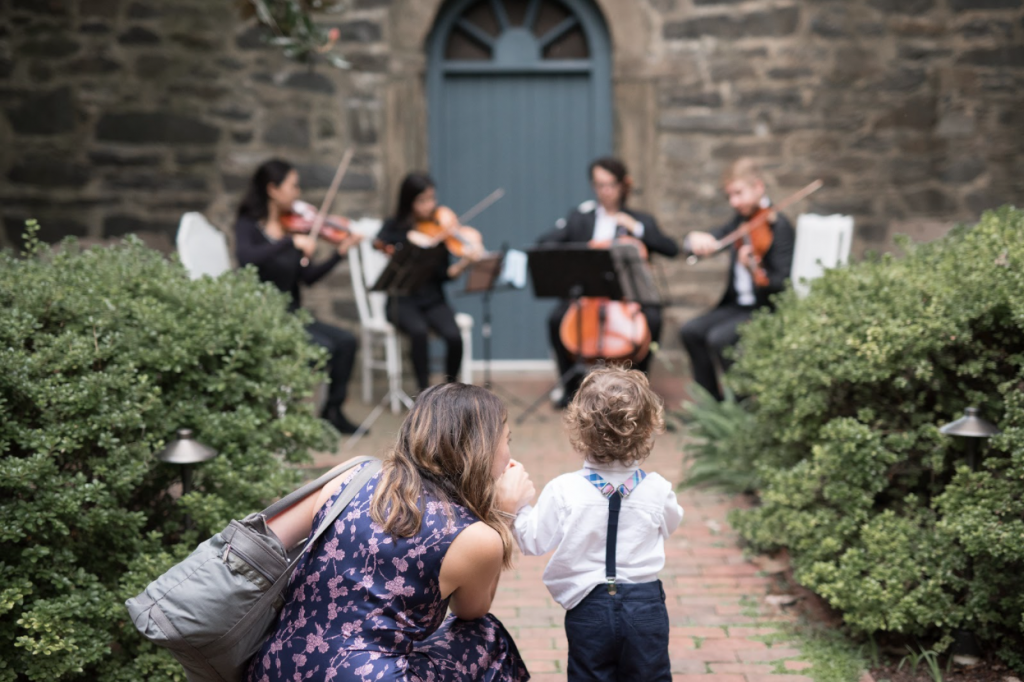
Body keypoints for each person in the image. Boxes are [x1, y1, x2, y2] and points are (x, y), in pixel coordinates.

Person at [247, 382, 536, 682]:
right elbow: (472, 611)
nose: (510, 455)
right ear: (481, 449)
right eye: (507, 440)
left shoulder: (353, 475)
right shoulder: (475, 537)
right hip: (368, 677)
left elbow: (269, 538)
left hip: (273, 668)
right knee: (488, 637)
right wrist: (501, 514)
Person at [512, 366, 683, 681]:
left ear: (579, 427)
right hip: (645, 607)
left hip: (588, 608)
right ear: (647, 429)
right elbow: (672, 523)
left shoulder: (564, 489)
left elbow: (531, 540)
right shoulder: (657, 488)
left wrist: (515, 507)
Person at [537, 157, 679, 407]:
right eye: (599, 185)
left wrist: (637, 229)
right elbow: (545, 242)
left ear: (623, 185)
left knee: (654, 319)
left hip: (628, 298)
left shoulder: (641, 220)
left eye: (610, 185)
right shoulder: (581, 218)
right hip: (589, 297)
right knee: (555, 319)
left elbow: (671, 248)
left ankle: (638, 386)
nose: (605, 191)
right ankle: (571, 391)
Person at [235, 159, 364, 434]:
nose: (298, 192)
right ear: (273, 189)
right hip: (267, 316)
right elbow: (247, 257)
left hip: (294, 313)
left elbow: (307, 278)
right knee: (323, 348)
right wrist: (289, 243)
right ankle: (289, 415)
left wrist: (339, 253)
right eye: (293, 186)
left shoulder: (294, 226)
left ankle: (333, 410)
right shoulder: (250, 226)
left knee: (346, 342)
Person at [679, 157, 795, 401]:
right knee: (690, 331)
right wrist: (695, 239)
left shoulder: (779, 227)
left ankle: (741, 408)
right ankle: (712, 406)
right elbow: (717, 237)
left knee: (719, 338)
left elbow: (779, 286)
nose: (734, 201)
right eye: (730, 195)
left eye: (739, 193)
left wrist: (753, 267)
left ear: (758, 187)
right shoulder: (740, 220)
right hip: (736, 306)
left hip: (764, 308)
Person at [374, 172, 480, 392]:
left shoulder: (441, 228)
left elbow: (445, 275)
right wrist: (402, 246)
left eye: (432, 198)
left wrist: (463, 265)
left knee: (453, 336)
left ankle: (450, 391)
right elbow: (379, 243)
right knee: (418, 332)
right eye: (422, 200)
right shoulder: (395, 226)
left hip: (432, 298)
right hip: (402, 299)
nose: (429, 205)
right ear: (409, 201)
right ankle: (424, 394)